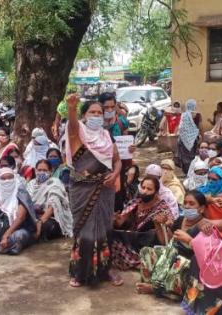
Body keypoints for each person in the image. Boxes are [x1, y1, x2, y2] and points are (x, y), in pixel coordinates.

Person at [65, 95, 122, 287]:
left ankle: (106, 270)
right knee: (85, 231)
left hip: (105, 190)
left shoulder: (106, 135)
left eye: (100, 112)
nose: (97, 115)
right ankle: (80, 272)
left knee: (105, 228)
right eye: (92, 112)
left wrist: (114, 175)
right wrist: (71, 108)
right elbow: (72, 126)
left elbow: (117, 160)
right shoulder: (77, 132)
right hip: (82, 190)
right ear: (84, 115)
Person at [136, 190, 208, 299]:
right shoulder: (180, 220)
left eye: (192, 204)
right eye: (185, 203)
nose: (187, 206)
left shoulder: (204, 226)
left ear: (201, 209)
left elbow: (205, 253)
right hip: (170, 257)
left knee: (179, 261)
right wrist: (159, 225)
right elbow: (166, 242)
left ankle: (158, 289)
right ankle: (154, 284)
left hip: (187, 264)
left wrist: (189, 241)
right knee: (146, 251)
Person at [112, 176, 173, 270]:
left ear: (156, 192)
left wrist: (161, 223)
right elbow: (120, 223)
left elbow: (166, 238)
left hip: (148, 244)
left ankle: (141, 260)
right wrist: (116, 220)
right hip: (133, 239)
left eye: (149, 189)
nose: (144, 191)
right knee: (111, 234)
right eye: (143, 188)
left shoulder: (162, 208)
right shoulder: (135, 202)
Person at [27, 159, 73, 240]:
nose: (41, 172)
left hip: (50, 218)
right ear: (35, 170)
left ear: (50, 171)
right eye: (39, 170)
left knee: (44, 228)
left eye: (45, 170)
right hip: (33, 216)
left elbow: (53, 206)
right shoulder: (31, 184)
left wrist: (40, 221)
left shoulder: (54, 183)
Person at [177, 99, 201, 174]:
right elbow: (200, 127)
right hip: (194, 139)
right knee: (192, 156)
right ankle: (191, 172)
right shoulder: (197, 115)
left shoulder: (184, 115)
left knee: (184, 156)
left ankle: (187, 172)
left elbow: (181, 127)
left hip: (183, 139)